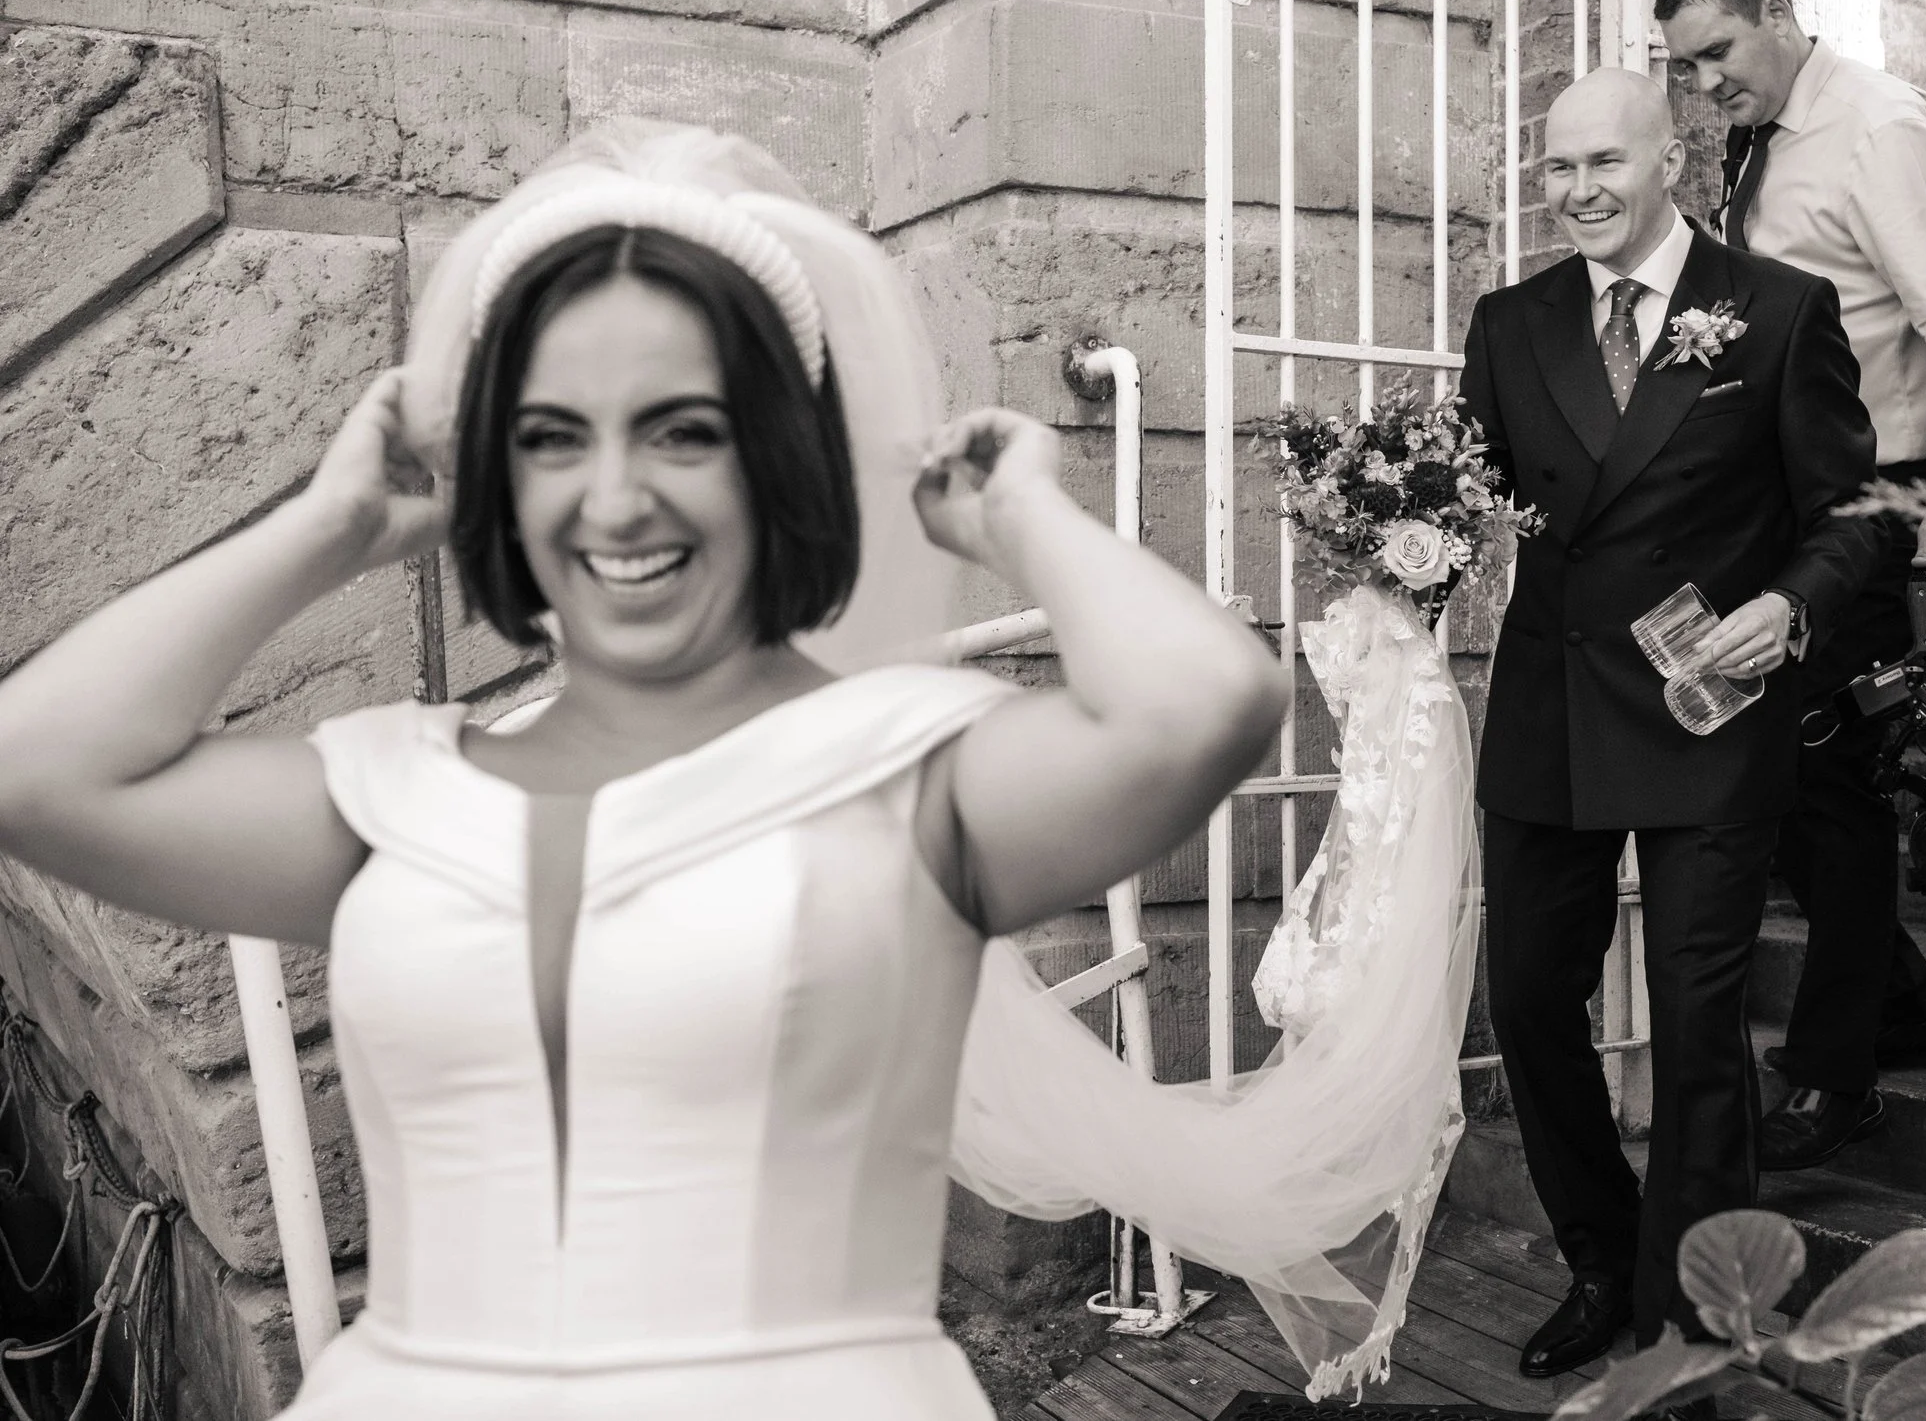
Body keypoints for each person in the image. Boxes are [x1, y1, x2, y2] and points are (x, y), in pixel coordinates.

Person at [0, 123, 1288, 1420]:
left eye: (682, 431)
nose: (614, 500)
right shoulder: (392, 797)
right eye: (553, 437)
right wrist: (325, 525)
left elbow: (1207, 700)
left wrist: (1020, 513)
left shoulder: (916, 772)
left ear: (777, 452)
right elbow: (33, 768)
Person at [1457, 66, 1880, 1376]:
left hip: (1709, 713)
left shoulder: (1779, 309)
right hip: (1551, 711)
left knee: (1699, 1026)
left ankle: (1687, 1320)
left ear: (1672, 164)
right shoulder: (1510, 321)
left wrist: (1790, 604)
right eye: (1558, 165)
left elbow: (1855, 515)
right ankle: (1600, 1253)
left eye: (1604, 162)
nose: (1578, 188)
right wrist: (1394, 536)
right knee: (1530, 998)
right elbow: (1471, 493)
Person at [1652, 0, 1926, 1173]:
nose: (1703, 82)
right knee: (1779, 772)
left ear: (1777, 11)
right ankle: (1897, 1000)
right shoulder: (1761, 137)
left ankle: (1836, 1071)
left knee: (1828, 783)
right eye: (1683, 66)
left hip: (1876, 489)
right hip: (1787, 491)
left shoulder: (1881, 130)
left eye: (1716, 52)